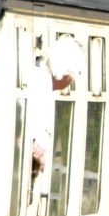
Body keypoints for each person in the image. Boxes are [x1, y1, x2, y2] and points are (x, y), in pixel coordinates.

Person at [30, 35, 84, 175]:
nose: (72, 81)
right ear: (65, 74)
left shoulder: (44, 82)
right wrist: (38, 149)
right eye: (72, 76)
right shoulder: (39, 83)